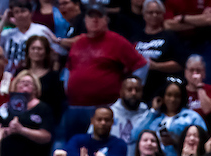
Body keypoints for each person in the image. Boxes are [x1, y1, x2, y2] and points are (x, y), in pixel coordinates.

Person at [59, 0, 147, 146]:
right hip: (75, 107)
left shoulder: (116, 41)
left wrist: (132, 89)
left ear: (106, 20)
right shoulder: (79, 42)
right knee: (72, 148)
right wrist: (67, 88)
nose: (94, 20)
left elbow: (142, 64)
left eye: (99, 17)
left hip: (104, 108)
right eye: (91, 17)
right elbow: (69, 67)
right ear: (85, 20)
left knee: (100, 148)